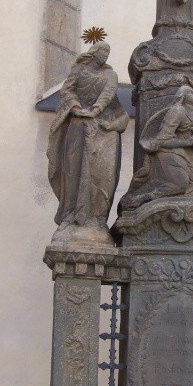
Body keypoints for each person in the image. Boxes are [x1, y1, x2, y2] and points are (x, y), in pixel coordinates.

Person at [47, 42, 128, 240]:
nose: (106, 55)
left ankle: (97, 218)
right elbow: (67, 90)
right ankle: (70, 215)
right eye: (103, 51)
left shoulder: (110, 75)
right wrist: (75, 107)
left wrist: (96, 111)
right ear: (94, 52)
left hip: (102, 130)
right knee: (72, 170)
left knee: (101, 175)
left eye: (108, 52)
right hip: (77, 125)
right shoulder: (79, 69)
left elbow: (109, 95)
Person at [121, 85, 193, 209]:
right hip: (168, 150)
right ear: (182, 96)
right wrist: (188, 142)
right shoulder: (178, 110)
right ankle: (145, 198)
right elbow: (163, 139)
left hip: (189, 152)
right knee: (180, 184)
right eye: (191, 93)